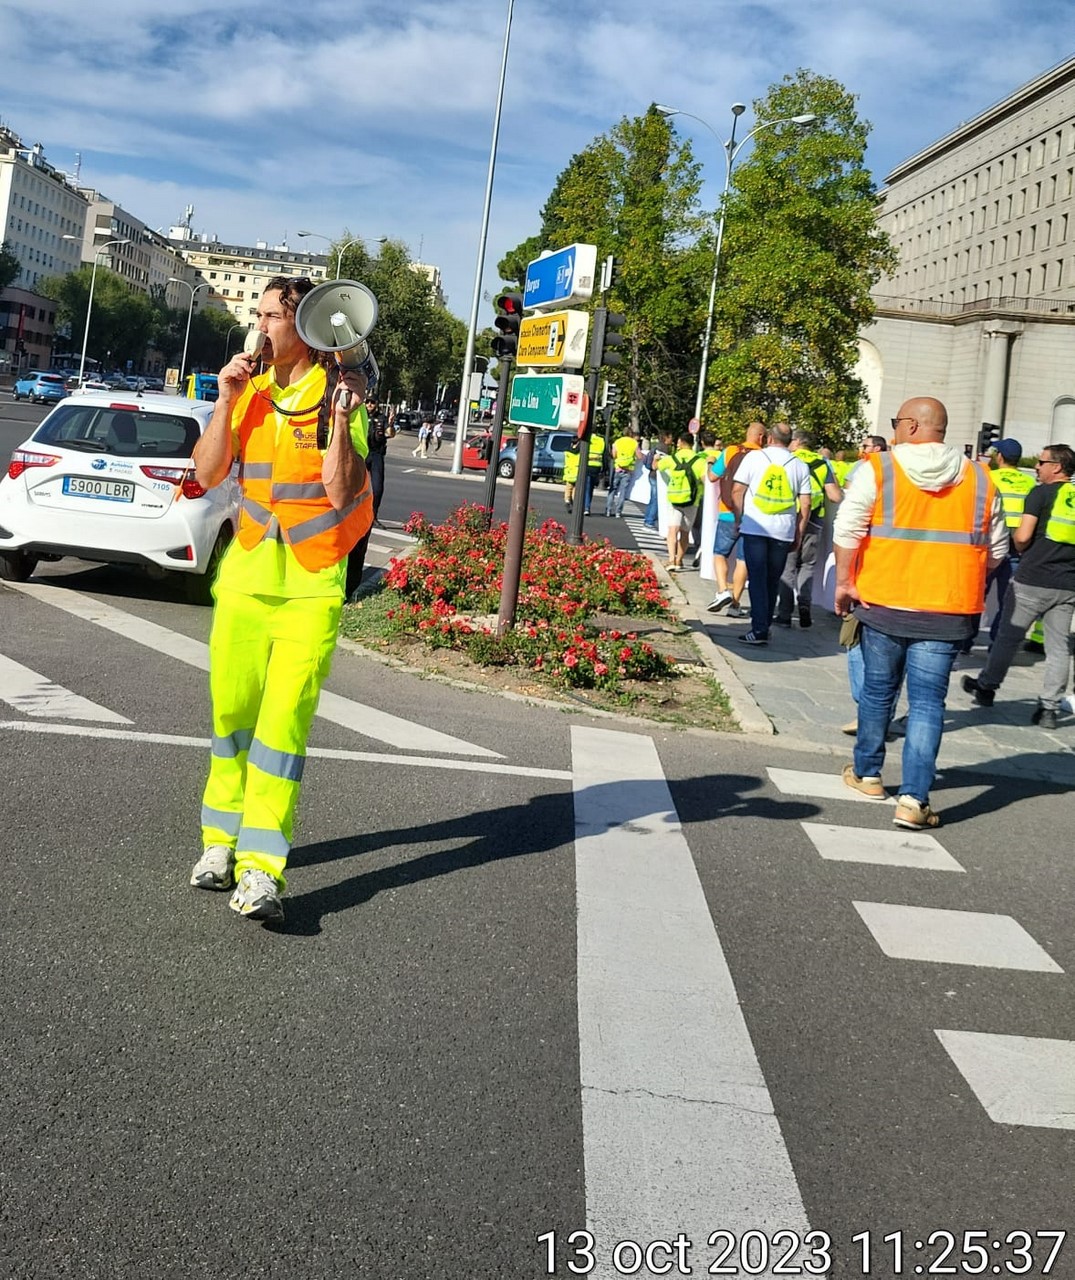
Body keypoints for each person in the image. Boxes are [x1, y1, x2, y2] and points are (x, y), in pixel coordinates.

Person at [188, 276, 374, 923]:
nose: (260, 325)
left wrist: (342, 418)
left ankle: (261, 871)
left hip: (311, 587)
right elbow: (207, 471)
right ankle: (219, 843)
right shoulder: (250, 391)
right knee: (232, 719)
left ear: (306, 326)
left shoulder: (339, 394)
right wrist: (224, 400)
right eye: (259, 314)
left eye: (272, 315)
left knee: (281, 732)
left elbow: (342, 490)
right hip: (244, 580)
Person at [835, 396, 1007, 830]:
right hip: (947, 610)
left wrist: (845, 583)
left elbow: (848, 529)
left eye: (897, 421)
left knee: (878, 691)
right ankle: (913, 800)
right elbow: (997, 551)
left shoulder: (879, 470)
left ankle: (867, 775)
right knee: (929, 703)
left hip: (883, 603)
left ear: (911, 425)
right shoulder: (981, 478)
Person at [962, 443, 1075, 729]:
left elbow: (1023, 537)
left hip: (1033, 578)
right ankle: (1049, 709)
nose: (1036, 466)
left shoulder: (1041, 493)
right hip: (1067, 584)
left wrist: (1018, 543)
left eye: (1042, 462)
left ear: (1056, 467)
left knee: (1008, 638)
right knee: (1058, 648)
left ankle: (986, 687)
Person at [729, 423, 812, 644]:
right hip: (783, 531)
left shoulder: (754, 458)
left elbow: (737, 490)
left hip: (755, 527)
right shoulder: (800, 465)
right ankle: (763, 626)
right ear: (790, 441)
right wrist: (799, 533)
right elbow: (806, 504)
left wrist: (739, 518)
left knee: (757, 578)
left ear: (769, 439)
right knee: (772, 580)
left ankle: (759, 629)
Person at [774, 427, 843, 628]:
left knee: (787, 567)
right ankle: (805, 605)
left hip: (791, 519)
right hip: (814, 521)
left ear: (796, 442)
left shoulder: (788, 460)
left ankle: (785, 614)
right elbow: (835, 496)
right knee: (807, 565)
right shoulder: (823, 463)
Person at [978, 437, 1035, 646]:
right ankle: (997, 642)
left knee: (978, 592)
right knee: (1007, 597)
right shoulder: (1030, 482)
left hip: (991, 540)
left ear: (1000, 457)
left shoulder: (988, 477)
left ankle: (966, 641)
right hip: (1017, 543)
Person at [705, 421, 765, 616]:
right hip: (753, 517)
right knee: (743, 560)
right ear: (761, 437)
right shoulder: (765, 457)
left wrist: (710, 462)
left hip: (727, 512)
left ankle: (723, 590)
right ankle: (735, 605)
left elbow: (712, 477)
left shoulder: (730, 451)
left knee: (719, 553)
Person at [655, 432, 708, 571]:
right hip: (692, 501)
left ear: (681, 442)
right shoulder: (699, 461)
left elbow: (656, 466)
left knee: (672, 530)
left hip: (674, 500)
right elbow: (705, 480)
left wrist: (656, 459)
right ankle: (679, 560)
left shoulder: (672, 458)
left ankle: (671, 559)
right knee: (685, 532)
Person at [605, 427, 638, 517]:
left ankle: (608, 510)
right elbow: (639, 456)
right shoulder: (634, 443)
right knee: (623, 492)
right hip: (628, 470)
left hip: (618, 468)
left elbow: (614, 455)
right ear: (631, 434)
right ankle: (618, 512)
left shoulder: (617, 442)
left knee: (612, 489)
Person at [583, 430, 605, 516]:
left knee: (585, 487)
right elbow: (604, 456)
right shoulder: (601, 440)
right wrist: (604, 469)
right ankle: (587, 507)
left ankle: (584, 507)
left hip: (586, 465)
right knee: (590, 488)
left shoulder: (586, 438)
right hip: (596, 467)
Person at [562, 438, 580, 515]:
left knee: (568, 489)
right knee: (575, 490)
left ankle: (567, 501)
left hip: (569, 472)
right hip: (577, 473)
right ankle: (573, 502)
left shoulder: (567, 452)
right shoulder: (580, 452)